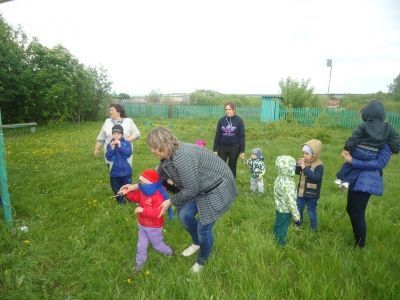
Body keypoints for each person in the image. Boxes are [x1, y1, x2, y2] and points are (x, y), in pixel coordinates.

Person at [120, 127, 237, 273]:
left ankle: (202, 260)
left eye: (153, 148)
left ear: (163, 147)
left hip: (217, 187)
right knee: (184, 216)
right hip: (199, 186)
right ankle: (197, 243)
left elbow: (191, 190)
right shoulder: (168, 155)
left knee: (204, 228)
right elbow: (158, 176)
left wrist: (170, 201)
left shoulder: (182, 158)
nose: (151, 151)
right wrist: (135, 186)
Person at [335, 99, 400, 189]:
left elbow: (354, 137)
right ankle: (347, 182)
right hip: (373, 154)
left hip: (359, 150)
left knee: (349, 163)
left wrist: (347, 148)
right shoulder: (388, 127)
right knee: (358, 167)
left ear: (367, 112)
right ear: (383, 114)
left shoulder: (364, 125)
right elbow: (396, 141)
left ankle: (339, 178)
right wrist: (394, 150)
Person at [341, 144, 391, 248]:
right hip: (355, 177)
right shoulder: (367, 136)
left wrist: (353, 161)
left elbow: (379, 163)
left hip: (367, 180)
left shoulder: (384, 142)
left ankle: (360, 245)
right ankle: (357, 237)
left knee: (357, 212)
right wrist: (348, 151)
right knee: (350, 208)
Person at [124, 169, 173, 272]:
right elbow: (136, 197)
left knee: (157, 245)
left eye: (143, 182)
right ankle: (139, 267)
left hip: (154, 227)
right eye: (140, 182)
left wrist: (143, 210)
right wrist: (127, 193)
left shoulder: (158, 196)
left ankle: (169, 252)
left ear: (151, 184)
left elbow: (157, 213)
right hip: (142, 225)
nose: (140, 184)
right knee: (141, 246)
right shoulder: (143, 190)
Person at [94, 104, 140, 200]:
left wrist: (125, 142)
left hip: (125, 154)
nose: (109, 112)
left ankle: (129, 195)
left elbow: (137, 134)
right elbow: (101, 137)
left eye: (111, 110)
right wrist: (97, 149)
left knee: (125, 175)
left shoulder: (128, 121)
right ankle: (119, 197)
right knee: (115, 176)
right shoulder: (107, 122)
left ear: (118, 111)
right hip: (111, 154)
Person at [295, 139, 324, 231]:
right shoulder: (305, 163)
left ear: (314, 154)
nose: (304, 156)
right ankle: (298, 225)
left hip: (312, 195)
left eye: (307, 154)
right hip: (301, 192)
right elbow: (297, 173)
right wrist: (298, 165)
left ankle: (314, 228)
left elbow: (316, 178)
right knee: (299, 209)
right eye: (304, 153)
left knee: (311, 211)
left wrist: (305, 168)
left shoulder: (319, 166)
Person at [273, 155, 301, 246]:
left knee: (278, 223)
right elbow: (291, 201)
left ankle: (275, 235)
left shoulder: (279, 178)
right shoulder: (288, 183)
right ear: (290, 168)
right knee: (283, 227)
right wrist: (296, 216)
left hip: (279, 206)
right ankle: (280, 244)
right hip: (286, 210)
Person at [213, 102, 245, 178]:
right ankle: (220, 182)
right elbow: (217, 135)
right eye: (226, 109)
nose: (227, 111)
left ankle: (231, 183)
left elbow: (242, 136)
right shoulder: (221, 121)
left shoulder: (239, 121)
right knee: (221, 165)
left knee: (232, 166)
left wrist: (242, 151)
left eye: (229, 109)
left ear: (233, 110)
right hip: (222, 147)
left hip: (234, 147)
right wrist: (215, 149)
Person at [105, 124, 132, 204]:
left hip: (126, 171)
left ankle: (130, 199)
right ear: (112, 134)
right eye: (114, 134)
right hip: (115, 172)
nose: (116, 136)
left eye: (118, 134)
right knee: (116, 188)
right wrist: (112, 148)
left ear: (122, 134)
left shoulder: (126, 143)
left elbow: (128, 153)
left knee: (127, 187)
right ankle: (121, 202)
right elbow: (108, 157)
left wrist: (120, 146)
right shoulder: (110, 145)